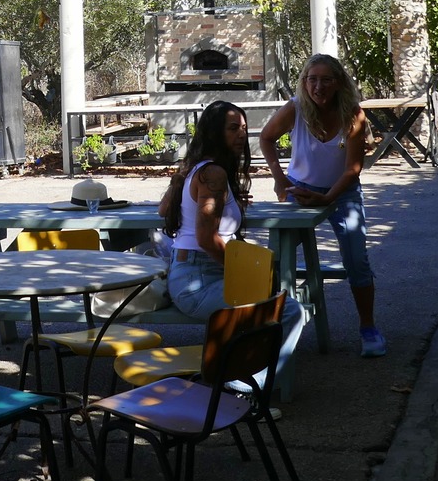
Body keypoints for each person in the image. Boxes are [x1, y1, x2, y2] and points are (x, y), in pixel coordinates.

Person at [259, 54, 386, 357]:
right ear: (304, 82)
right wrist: (279, 179)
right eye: (312, 79)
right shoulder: (295, 108)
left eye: (326, 79)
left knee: (356, 260)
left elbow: (353, 169)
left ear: (339, 82)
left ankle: (368, 328)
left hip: (342, 192)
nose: (318, 86)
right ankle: (269, 326)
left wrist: (329, 198)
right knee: (278, 259)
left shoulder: (353, 114)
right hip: (300, 189)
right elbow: (266, 138)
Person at [165, 100, 304, 364]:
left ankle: (241, 373)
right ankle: (246, 382)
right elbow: (206, 239)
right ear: (214, 133)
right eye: (232, 129)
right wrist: (244, 272)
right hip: (198, 281)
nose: (241, 134)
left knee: (272, 297)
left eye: (243, 128)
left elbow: (164, 209)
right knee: (289, 311)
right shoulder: (212, 174)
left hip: (194, 273)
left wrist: (226, 201)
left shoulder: (198, 168)